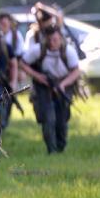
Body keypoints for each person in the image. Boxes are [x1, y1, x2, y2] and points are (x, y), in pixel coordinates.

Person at [19, 26, 81, 154]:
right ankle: (51, 150)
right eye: (50, 40)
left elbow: (76, 71)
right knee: (48, 119)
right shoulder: (38, 50)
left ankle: (60, 147)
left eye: (55, 40)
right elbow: (22, 63)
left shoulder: (68, 51)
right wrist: (37, 76)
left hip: (64, 85)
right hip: (44, 87)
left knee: (62, 120)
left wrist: (63, 85)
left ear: (60, 39)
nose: (52, 43)